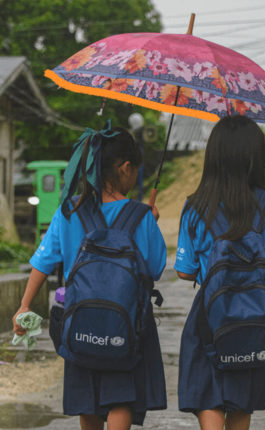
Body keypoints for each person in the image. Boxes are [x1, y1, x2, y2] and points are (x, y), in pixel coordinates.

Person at [12, 123, 167, 430]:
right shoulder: (141, 216)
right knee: (121, 397)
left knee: (88, 401)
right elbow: (155, 267)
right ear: (124, 168)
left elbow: (43, 262)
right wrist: (151, 222)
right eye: (135, 169)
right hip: (127, 322)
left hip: (79, 319)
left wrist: (25, 306)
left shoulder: (70, 211)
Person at [174, 115, 265, 430]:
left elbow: (185, 273)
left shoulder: (195, 207)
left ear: (213, 156)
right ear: (257, 157)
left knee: (207, 397)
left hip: (209, 316)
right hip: (257, 315)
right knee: (241, 405)